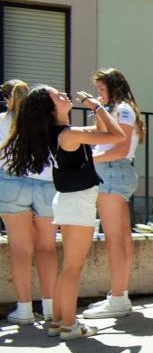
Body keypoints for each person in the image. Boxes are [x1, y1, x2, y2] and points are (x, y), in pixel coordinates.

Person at [0, 85, 125, 339]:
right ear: (50, 108)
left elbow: (105, 132)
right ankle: (69, 325)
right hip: (77, 202)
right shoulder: (68, 135)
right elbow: (118, 135)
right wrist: (98, 107)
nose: (65, 96)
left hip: (71, 200)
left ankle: (58, 321)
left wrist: (97, 111)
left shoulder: (64, 133)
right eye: (58, 96)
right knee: (72, 268)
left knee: (68, 267)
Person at [82, 68, 143, 320]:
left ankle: (118, 298)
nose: (99, 94)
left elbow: (120, 148)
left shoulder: (123, 110)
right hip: (115, 173)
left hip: (112, 173)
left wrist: (91, 159)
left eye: (102, 89)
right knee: (121, 239)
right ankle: (119, 295)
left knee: (115, 240)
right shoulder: (120, 109)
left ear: (113, 86)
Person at [1, 79, 58, 325]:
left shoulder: (3, 121)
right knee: (47, 248)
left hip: (12, 184)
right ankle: (50, 307)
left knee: (20, 250)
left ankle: (24, 309)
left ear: (7, 98)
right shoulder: (46, 120)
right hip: (47, 186)